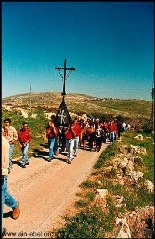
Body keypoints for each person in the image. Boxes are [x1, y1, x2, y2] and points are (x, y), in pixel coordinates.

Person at [2, 131, 20, 237]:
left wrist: (2, 175)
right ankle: (15, 204)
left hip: (1, 176)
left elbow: (4, 165)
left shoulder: (3, 143)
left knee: (2, 194)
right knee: (4, 194)